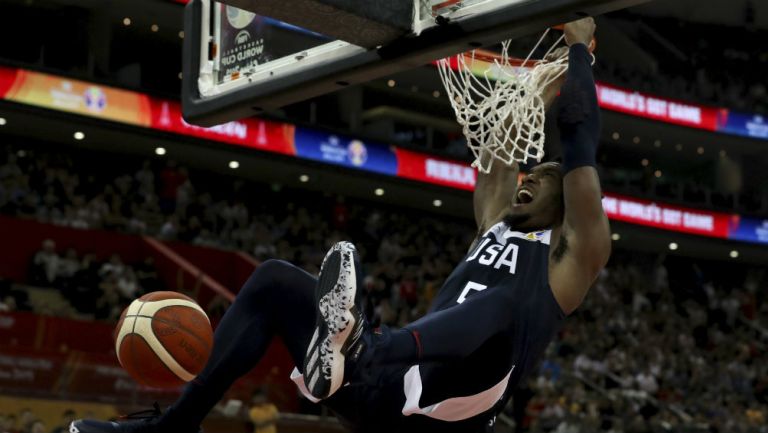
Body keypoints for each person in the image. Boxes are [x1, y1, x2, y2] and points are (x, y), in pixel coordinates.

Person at [71, 17, 609, 433]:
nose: (529, 176)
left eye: (543, 175)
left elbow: (580, 138)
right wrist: (532, 89)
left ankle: (362, 345)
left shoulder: (572, 258)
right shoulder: (493, 222)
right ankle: (174, 427)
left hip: (448, 419)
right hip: (385, 391)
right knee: (275, 281)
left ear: (568, 201)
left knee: (502, 309)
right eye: (530, 170)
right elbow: (498, 144)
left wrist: (581, 50)